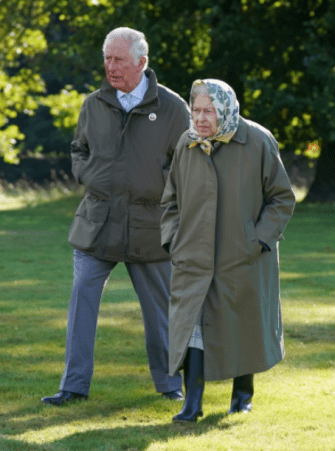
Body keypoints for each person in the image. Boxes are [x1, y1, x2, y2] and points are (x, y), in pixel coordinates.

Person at [41, 27, 190, 406]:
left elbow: (187, 166)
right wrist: (87, 175)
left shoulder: (173, 108)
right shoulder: (93, 103)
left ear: (142, 62)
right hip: (97, 223)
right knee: (81, 304)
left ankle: (170, 385)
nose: (110, 67)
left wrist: (161, 189)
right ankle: (73, 386)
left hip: (149, 227)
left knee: (160, 315)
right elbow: (79, 149)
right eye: (106, 58)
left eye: (118, 59)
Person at [160, 79, 295, 422]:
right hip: (192, 255)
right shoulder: (187, 142)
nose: (201, 118)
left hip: (242, 255)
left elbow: (282, 198)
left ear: (225, 109)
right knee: (191, 324)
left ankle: (242, 395)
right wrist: (173, 239)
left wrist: (258, 240)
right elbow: (170, 199)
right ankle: (192, 403)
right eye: (196, 110)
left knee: (242, 323)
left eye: (208, 111)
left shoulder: (258, 140)